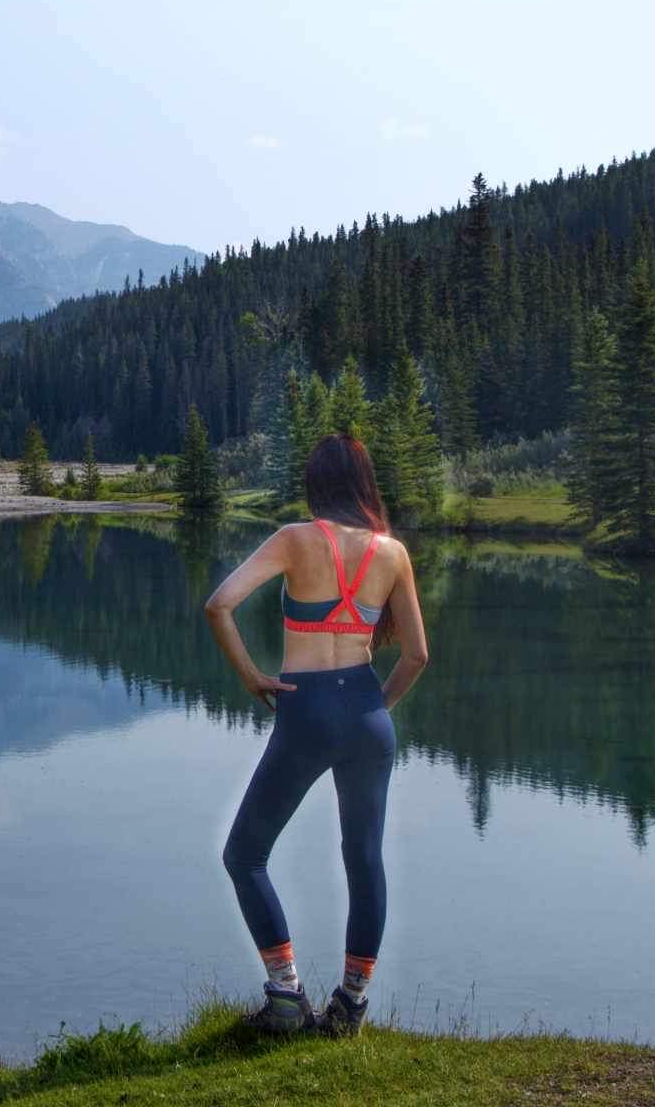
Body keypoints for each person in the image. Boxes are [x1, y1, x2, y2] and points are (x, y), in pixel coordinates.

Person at [203, 435, 430, 1038]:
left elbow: (218, 605)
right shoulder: (393, 552)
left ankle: (285, 994)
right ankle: (350, 1006)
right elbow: (417, 655)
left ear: (317, 484)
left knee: (244, 855)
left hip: (304, 710)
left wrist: (253, 676)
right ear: (364, 483)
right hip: (364, 712)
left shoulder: (295, 540)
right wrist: (368, 710)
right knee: (364, 862)